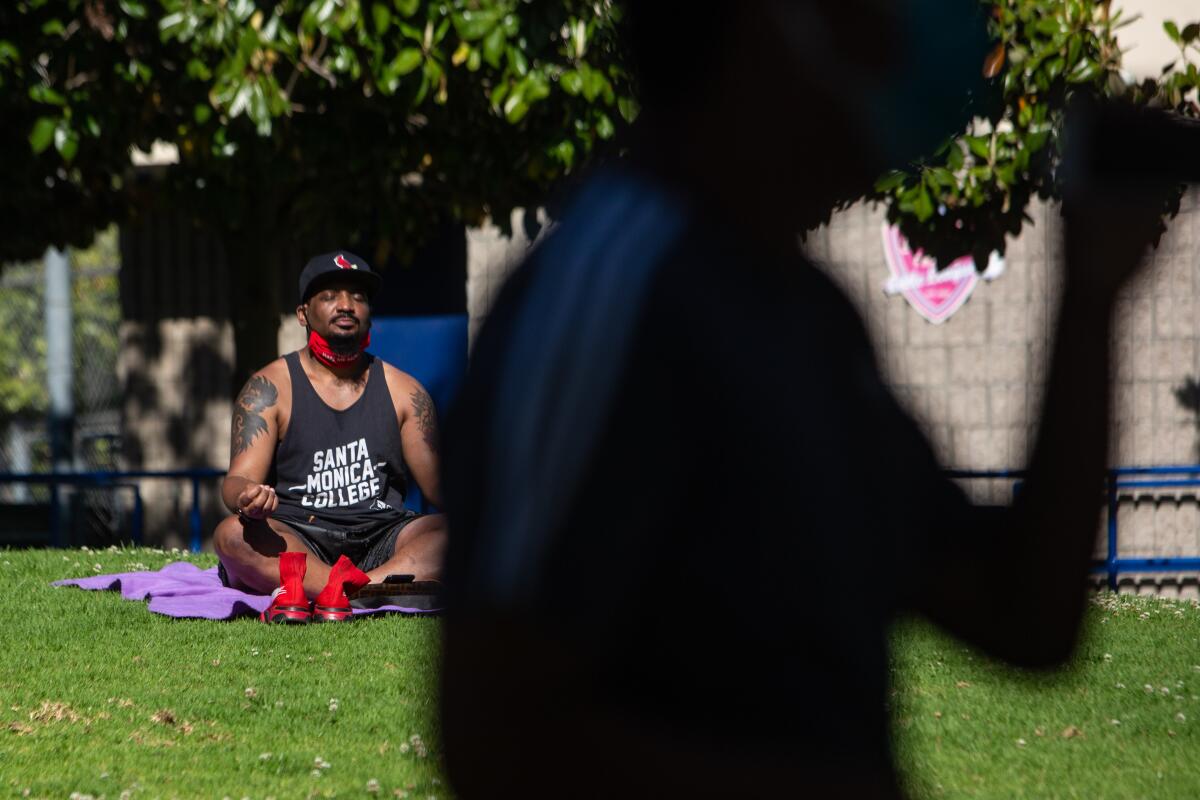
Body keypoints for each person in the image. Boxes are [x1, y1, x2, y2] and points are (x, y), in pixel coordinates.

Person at [437, 2, 1178, 797]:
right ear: (769, 27)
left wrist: (1091, 293)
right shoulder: (611, 290)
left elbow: (1024, 614)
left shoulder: (808, 318)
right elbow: (495, 733)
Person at [213, 251, 446, 623]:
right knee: (231, 536)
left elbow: (441, 489)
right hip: (299, 536)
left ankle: (341, 592)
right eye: (330, 295)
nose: (346, 305)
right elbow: (238, 480)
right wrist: (247, 496)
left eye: (358, 296)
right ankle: (372, 591)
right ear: (303, 313)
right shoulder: (269, 387)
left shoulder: (405, 391)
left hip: (383, 536)